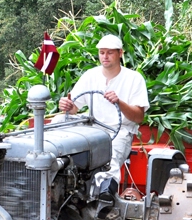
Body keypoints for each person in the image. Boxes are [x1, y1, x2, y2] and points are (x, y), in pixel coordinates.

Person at [58, 34, 149, 192]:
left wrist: (119, 102)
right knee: (58, 122)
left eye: (110, 52)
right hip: (92, 129)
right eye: (101, 52)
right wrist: (66, 105)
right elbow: (74, 108)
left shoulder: (134, 79)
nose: (105, 57)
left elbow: (139, 117)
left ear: (120, 53)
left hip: (119, 131)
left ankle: (104, 197)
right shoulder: (90, 75)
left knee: (110, 157)